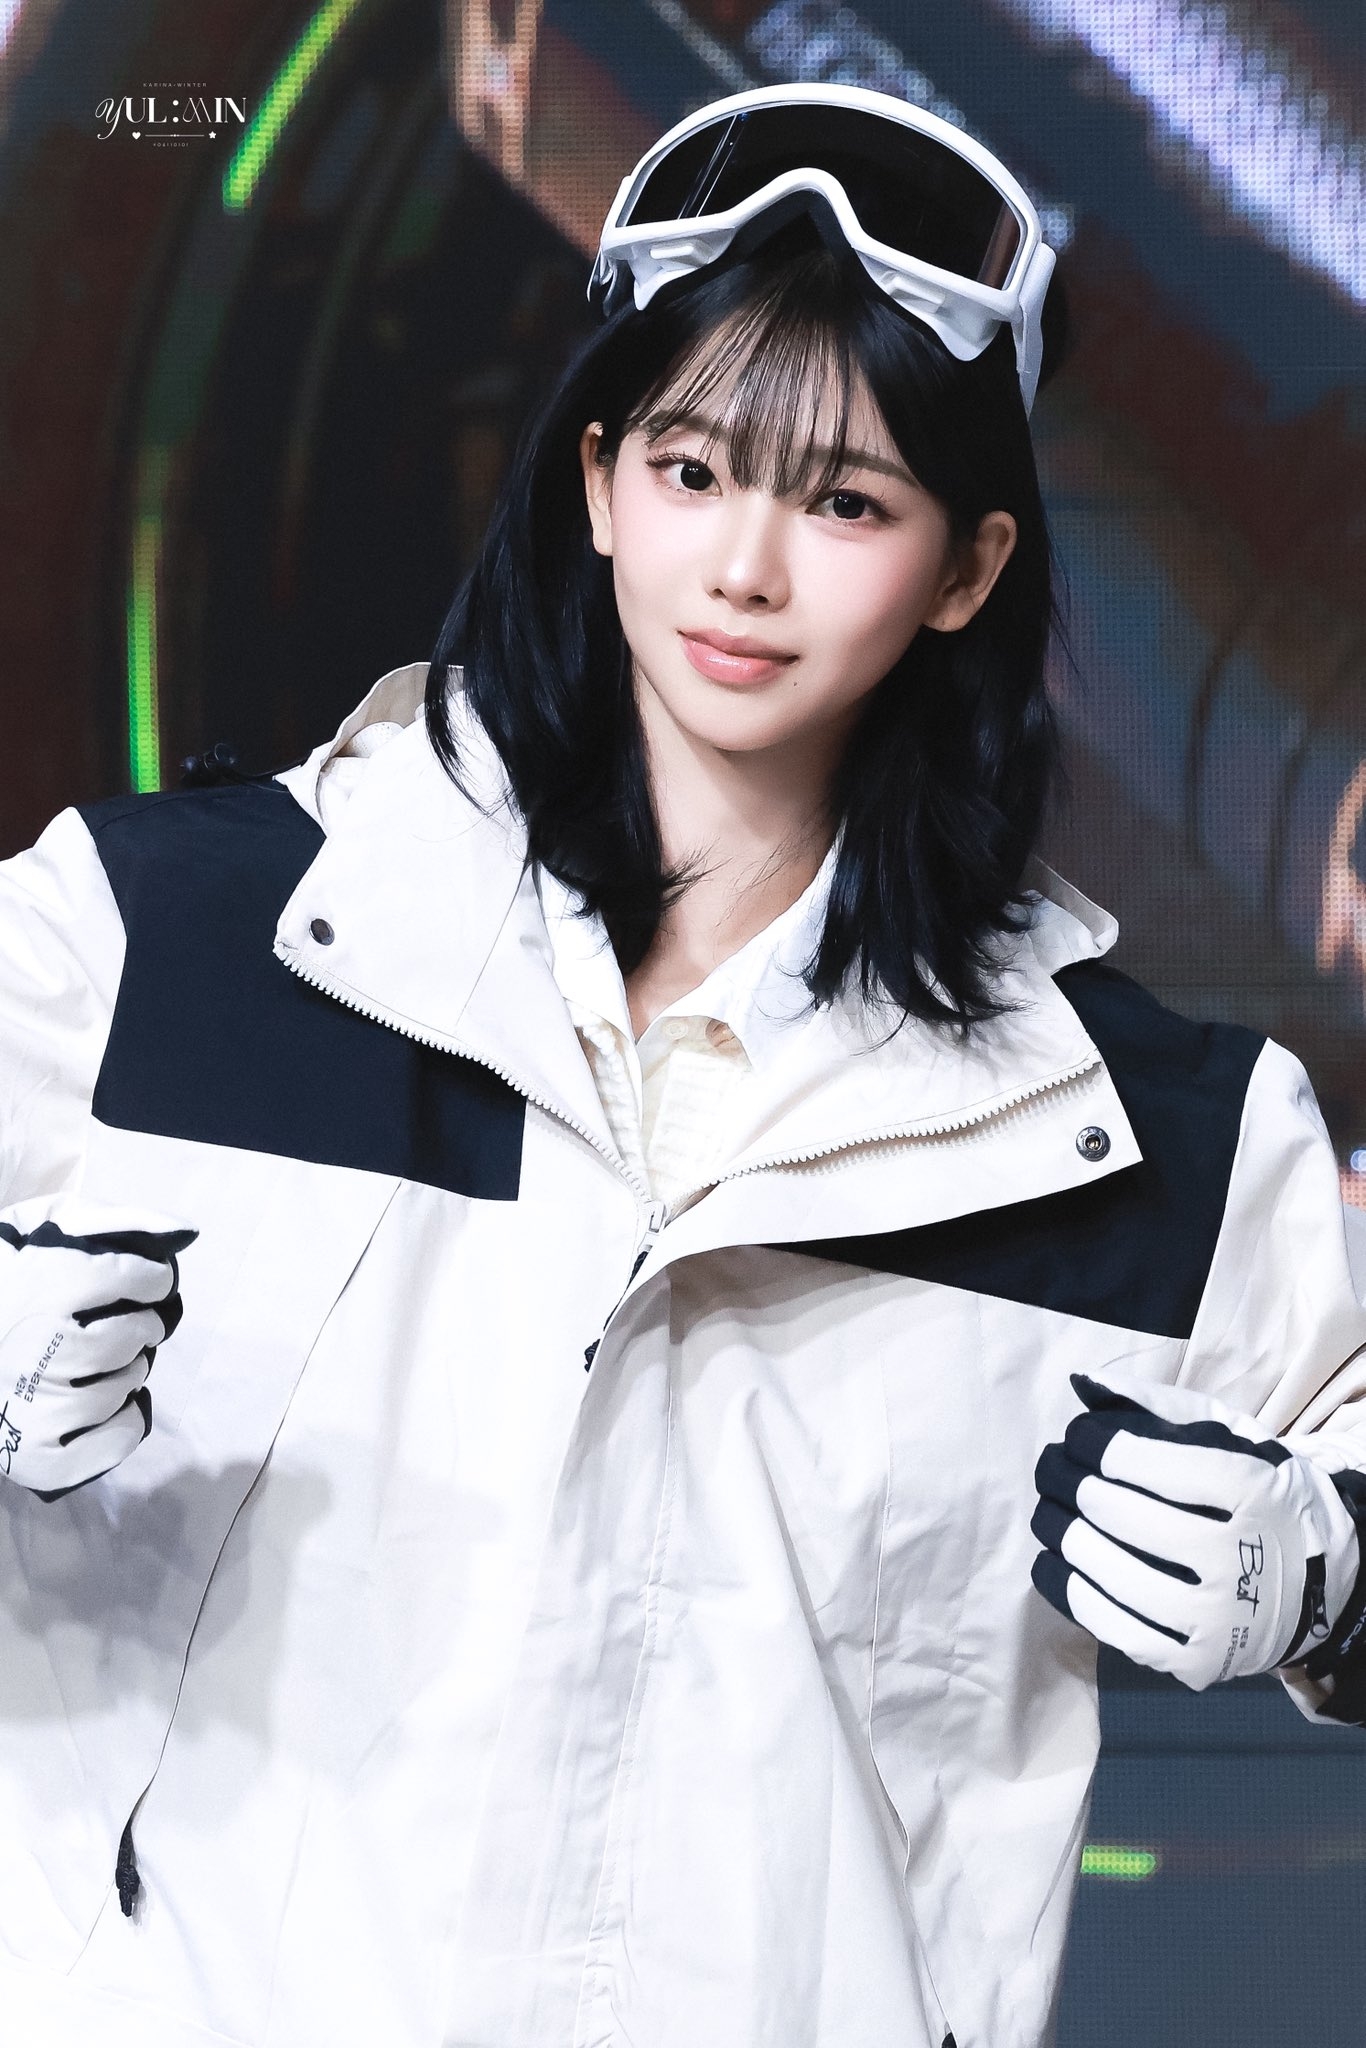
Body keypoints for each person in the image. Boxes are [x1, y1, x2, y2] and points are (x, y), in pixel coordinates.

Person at [0, 79, 1363, 2048]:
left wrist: (1324, 1576)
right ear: (595, 480)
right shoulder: (164, 942)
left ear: (966, 566)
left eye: (844, 503)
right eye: (693, 467)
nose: (743, 567)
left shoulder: (1141, 1140)